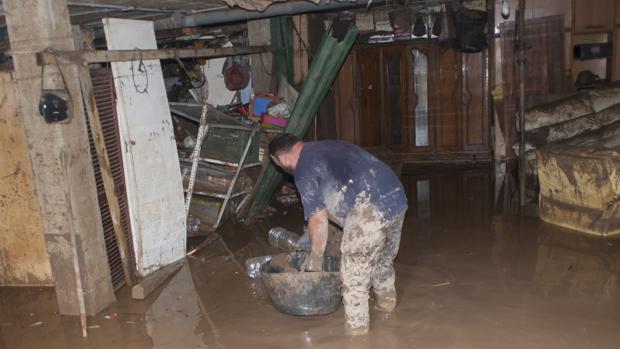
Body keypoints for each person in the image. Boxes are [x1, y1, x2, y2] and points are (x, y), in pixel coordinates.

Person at [268, 133, 408, 335]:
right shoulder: (330, 145)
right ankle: (387, 307)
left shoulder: (303, 170)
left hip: (368, 208)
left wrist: (316, 257)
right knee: (382, 259)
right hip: (396, 197)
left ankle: (357, 334)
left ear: (281, 159)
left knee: (353, 279)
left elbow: (318, 219)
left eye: (278, 164)